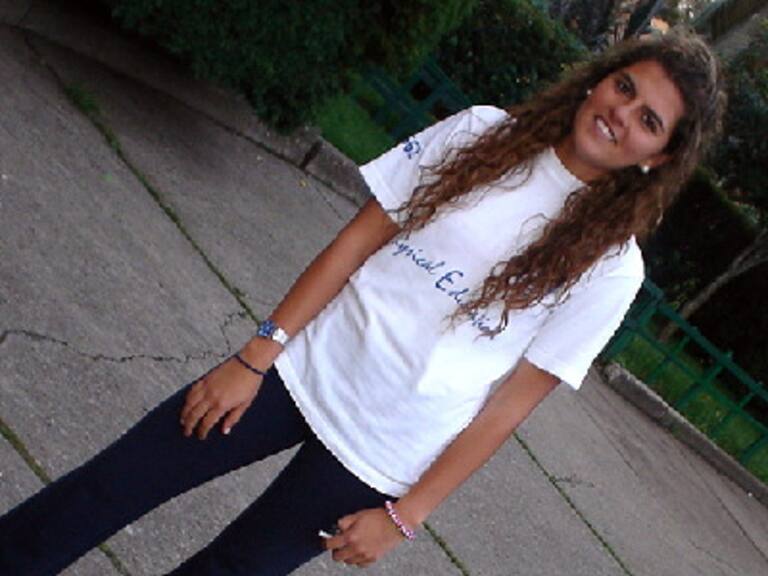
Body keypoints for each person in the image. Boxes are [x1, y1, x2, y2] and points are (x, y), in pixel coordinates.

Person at [0, 27, 725, 576]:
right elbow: (355, 242)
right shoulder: (481, 133)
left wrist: (406, 517)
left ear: (659, 158)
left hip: (379, 454)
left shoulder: (611, 269)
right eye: (624, 87)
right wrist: (254, 356)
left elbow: (509, 407)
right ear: (599, 81)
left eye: (649, 121)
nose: (621, 114)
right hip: (300, 369)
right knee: (110, 486)